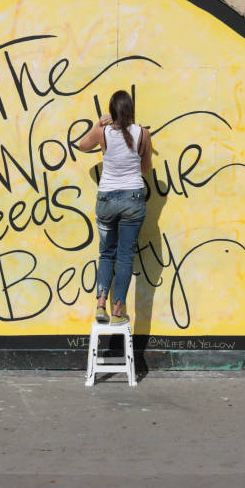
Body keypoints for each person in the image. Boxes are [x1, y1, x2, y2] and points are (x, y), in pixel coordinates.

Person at [78, 89, 152, 325]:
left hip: (106, 199)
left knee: (106, 253)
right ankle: (118, 310)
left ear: (111, 112)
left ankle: (101, 304)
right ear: (131, 110)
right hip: (132, 199)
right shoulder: (143, 134)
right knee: (125, 256)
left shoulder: (103, 132)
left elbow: (82, 145)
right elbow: (146, 169)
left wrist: (97, 124)